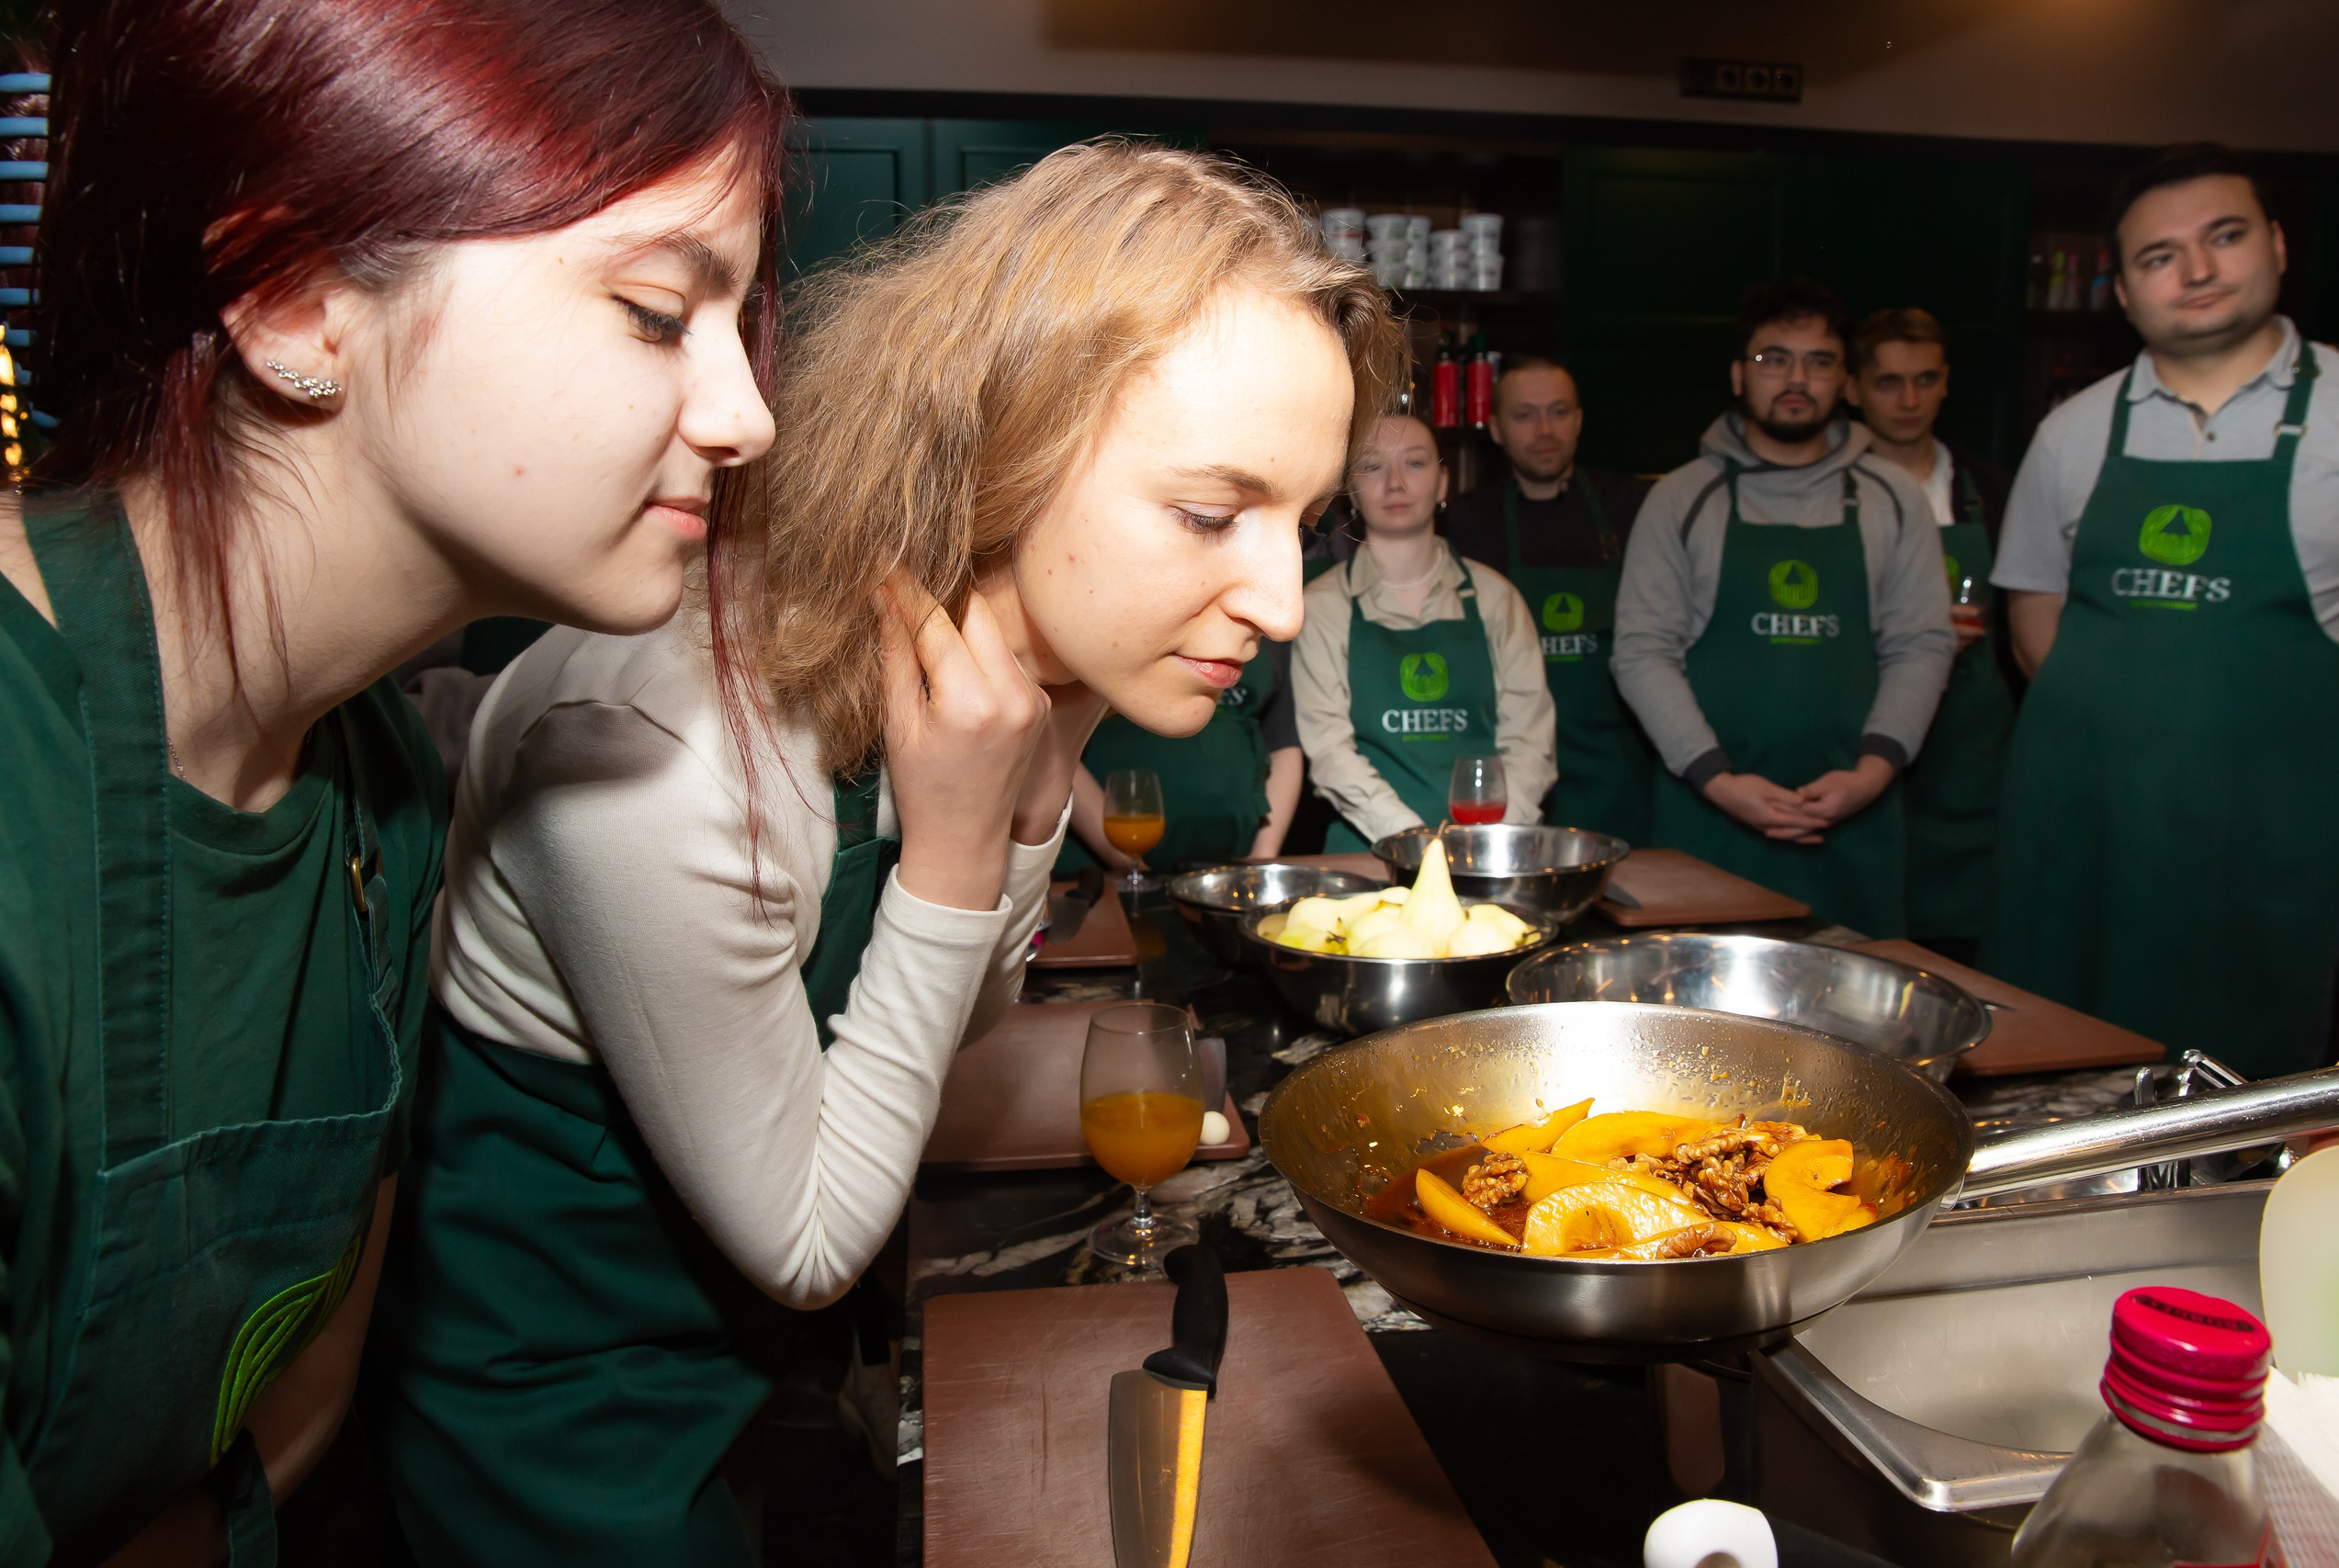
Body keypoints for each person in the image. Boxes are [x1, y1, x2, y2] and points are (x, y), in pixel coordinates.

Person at [367, 142, 1404, 1565]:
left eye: (1306, 521)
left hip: (749, 1378)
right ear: (1002, 452)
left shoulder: (961, 669)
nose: (1284, 601)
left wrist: (1039, 774)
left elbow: (941, 1044)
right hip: (563, 1423)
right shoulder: (657, 757)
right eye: (1214, 514)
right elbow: (807, 1242)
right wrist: (965, 845)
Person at [0, 1, 785, 1562]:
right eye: (651, 310)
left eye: (740, 327)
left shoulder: (379, 794)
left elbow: (300, 1398)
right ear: (291, 298)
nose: (746, 417)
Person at [1984, 144, 2339, 1077]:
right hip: (2084, 831)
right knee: (2066, 1065)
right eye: (2158, 255)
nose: (2194, 270)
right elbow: (2034, 617)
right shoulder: (2071, 431)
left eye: (2221, 238)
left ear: (2273, 243)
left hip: (2275, 835)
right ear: (2122, 290)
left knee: (2255, 1075)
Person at [1613, 278, 1955, 935]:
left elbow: (1922, 643)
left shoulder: (1894, 497)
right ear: (1740, 375)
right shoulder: (1682, 497)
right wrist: (1717, 779)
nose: (1796, 378)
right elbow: (1641, 651)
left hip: (1856, 822)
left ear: (1846, 381)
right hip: (1709, 819)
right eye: (1775, 359)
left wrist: (1872, 772)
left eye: (1819, 361)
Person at [1295, 412, 1556, 850]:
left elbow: (1531, 742)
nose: (1395, 482)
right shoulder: (1322, 605)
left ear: (1443, 482)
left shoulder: (1496, 599)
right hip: (1371, 849)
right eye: (1372, 466)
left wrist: (1491, 839)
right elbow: (1329, 752)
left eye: (1415, 463)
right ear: (1351, 491)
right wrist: (1414, 842)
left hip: (1488, 844)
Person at [1844, 309, 2017, 959]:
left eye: (1925, 380)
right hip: (1862, 741)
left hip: (1971, 756)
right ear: (1854, 388)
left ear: (1947, 384)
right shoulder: (1826, 493)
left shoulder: (1993, 493)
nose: (1909, 400)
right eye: (1889, 381)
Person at [1445, 355, 1656, 842]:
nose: (1544, 429)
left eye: (1559, 412)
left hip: (1616, 765)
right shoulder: (1467, 521)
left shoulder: (1632, 505)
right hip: (1509, 758)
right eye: (1524, 415)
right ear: (1495, 429)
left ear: (1579, 421)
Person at [1063, 638, 1304, 873]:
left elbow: (1283, 744)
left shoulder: (1269, 635)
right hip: (1102, 868)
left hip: (1235, 867)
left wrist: (1261, 857)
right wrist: (1126, 862)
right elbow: (1058, 746)